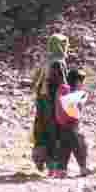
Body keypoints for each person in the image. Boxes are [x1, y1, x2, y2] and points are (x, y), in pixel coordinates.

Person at [30, 33, 70, 177]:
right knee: (56, 133)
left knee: (43, 131)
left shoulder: (45, 61)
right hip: (53, 103)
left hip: (42, 102)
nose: (67, 47)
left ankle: (46, 164)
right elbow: (63, 86)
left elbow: (34, 83)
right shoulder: (58, 62)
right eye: (65, 44)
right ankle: (56, 168)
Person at [55, 67, 96, 178]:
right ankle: (84, 168)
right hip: (70, 124)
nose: (82, 84)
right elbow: (73, 108)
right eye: (81, 82)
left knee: (66, 147)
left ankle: (61, 170)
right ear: (77, 81)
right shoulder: (67, 89)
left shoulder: (62, 89)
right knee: (79, 145)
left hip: (63, 124)